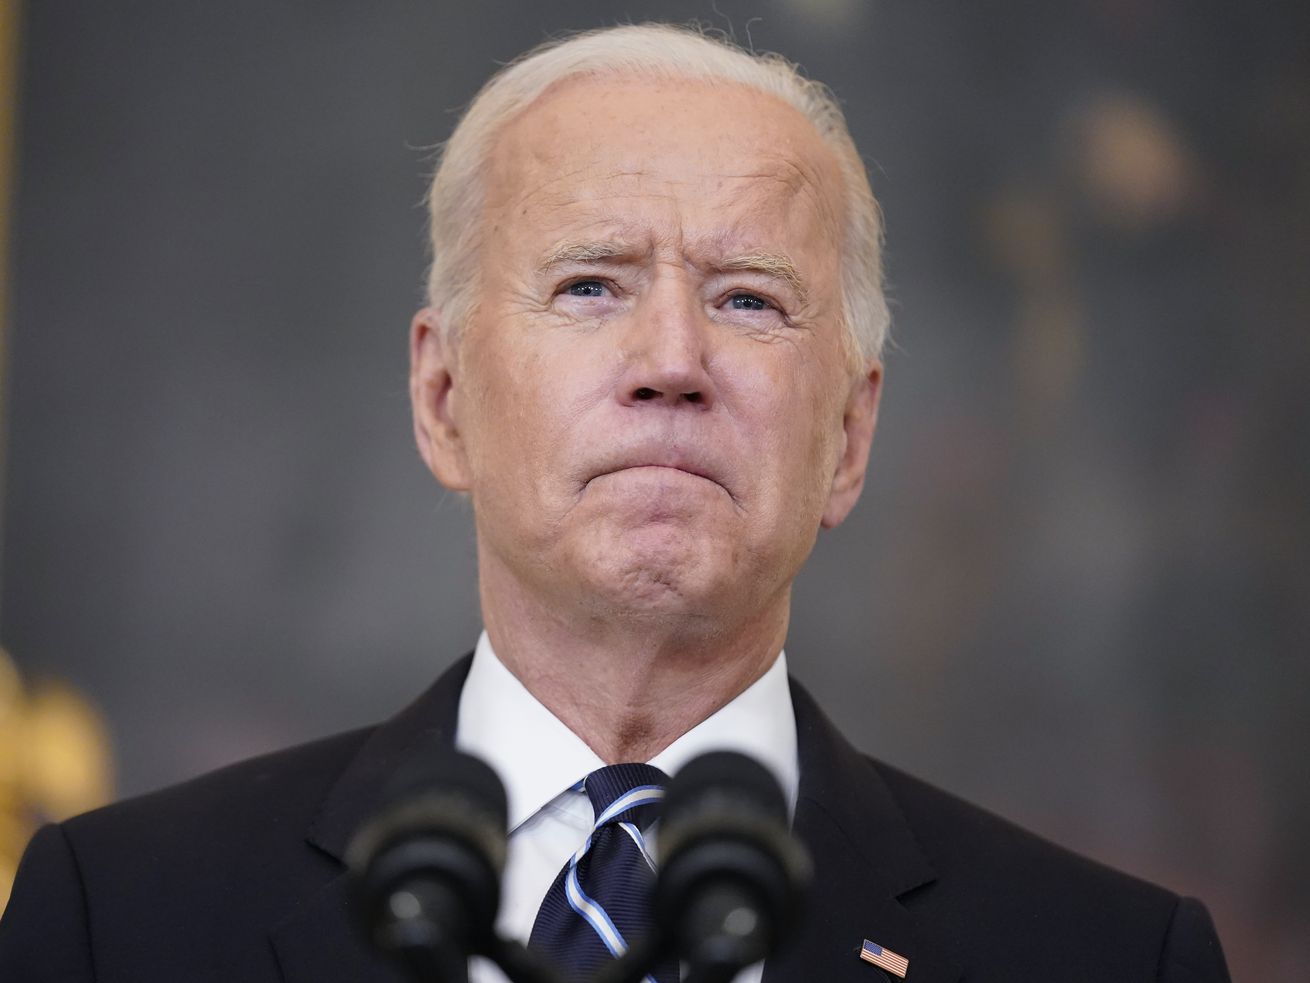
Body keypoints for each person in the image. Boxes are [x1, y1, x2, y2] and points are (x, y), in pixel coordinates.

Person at [0, 23, 1229, 983]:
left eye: (748, 298)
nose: (672, 359)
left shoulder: (1105, 955)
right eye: (590, 284)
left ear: (847, 435)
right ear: (442, 398)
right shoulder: (121, 914)